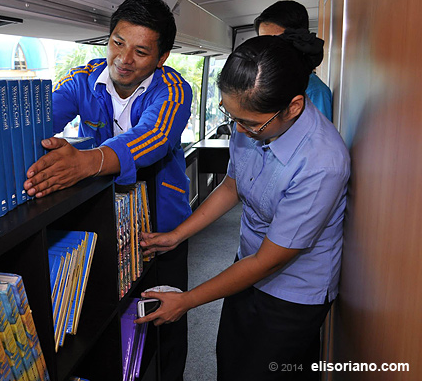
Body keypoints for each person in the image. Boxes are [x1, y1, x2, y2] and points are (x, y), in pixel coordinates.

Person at [136, 31, 350, 381]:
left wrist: (187, 301)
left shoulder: (321, 162)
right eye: (231, 116)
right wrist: (177, 235)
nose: (238, 129)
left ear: (293, 107)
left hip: (293, 290)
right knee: (231, 361)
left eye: (249, 123)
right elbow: (232, 187)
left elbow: (269, 261)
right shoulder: (252, 120)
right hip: (247, 267)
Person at [23, 0, 193, 381]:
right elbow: (41, 122)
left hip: (161, 228)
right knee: (102, 315)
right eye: (117, 42)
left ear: (161, 58)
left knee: (165, 312)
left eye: (140, 51)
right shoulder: (82, 80)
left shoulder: (174, 90)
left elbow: (154, 136)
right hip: (102, 220)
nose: (124, 59)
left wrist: (87, 161)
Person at [254, 0, 333, 122]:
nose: (268, 49)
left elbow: (320, 138)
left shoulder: (315, 91)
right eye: (263, 41)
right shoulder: (264, 82)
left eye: (277, 42)